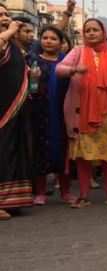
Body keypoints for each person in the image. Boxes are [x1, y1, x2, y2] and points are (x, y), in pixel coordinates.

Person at [56, 18, 107, 209]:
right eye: (87, 31)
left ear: (103, 33)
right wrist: (73, 70)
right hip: (82, 113)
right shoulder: (77, 52)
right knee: (83, 156)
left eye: (95, 30)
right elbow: (59, 70)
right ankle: (84, 195)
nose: (91, 33)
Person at [28, 26, 76, 206]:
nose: (48, 41)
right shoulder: (33, 60)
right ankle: (40, 192)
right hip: (40, 112)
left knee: (63, 151)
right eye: (45, 38)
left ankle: (65, 192)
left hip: (63, 112)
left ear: (61, 43)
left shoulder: (66, 62)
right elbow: (31, 90)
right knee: (40, 150)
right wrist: (34, 79)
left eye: (53, 38)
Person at [0, 12, 34, 220]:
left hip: (15, 110)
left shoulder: (13, 46)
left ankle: (11, 201)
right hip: (2, 110)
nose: (4, 17)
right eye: (0, 14)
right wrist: (10, 31)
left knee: (13, 151)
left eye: (5, 13)